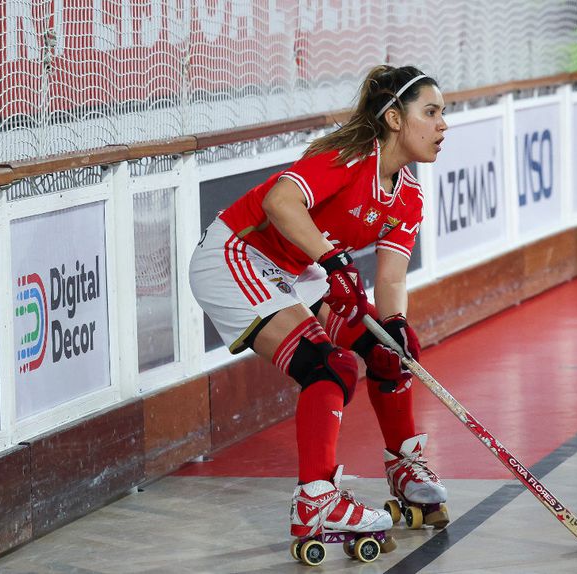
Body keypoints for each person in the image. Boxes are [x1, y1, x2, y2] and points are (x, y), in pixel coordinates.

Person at [189, 64, 449, 541]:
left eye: (442, 114)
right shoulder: (349, 157)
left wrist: (394, 322)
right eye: (431, 113)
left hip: (296, 269)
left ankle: (403, 466)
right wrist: (332, 261)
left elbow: (391, 277)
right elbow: (279, 203)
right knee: (329, 367)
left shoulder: (408, 195)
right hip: (238, 254)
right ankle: (316, 499)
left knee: (391, 350)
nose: (442, 125)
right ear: (395, 119)